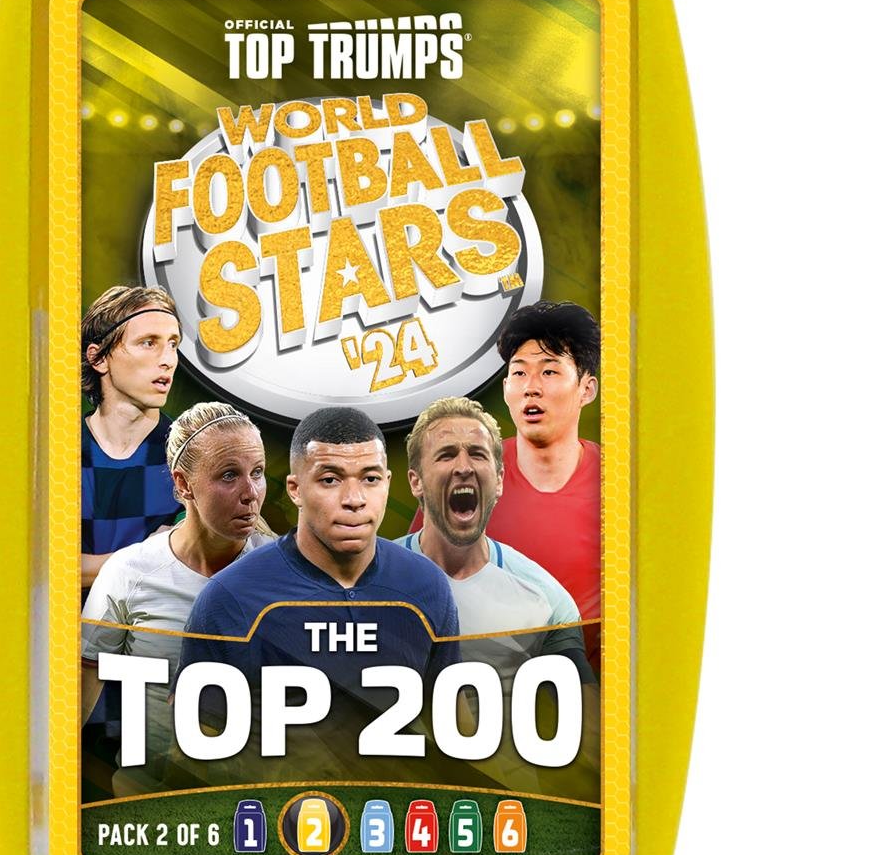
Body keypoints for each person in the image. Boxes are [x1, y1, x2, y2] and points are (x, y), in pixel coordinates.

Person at [177, 406, 460, 778]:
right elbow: (191, 751)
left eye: (370, 478)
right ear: (295, 489)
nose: (354, 498)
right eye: (330, 480)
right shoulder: (231, 597)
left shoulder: (427, 586)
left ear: (389, 483)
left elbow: (453, 729)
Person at [402, 394, 598, 793]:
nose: (463, 466)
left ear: (500, 481)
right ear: (415, 481)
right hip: (393, 806)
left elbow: (590, 731)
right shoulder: (362, 581)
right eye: (446, 455)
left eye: (477, 454)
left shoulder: (546, 600)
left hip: (502, 808)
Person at [81, 402, 275, 795]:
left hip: (254, 806)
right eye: (229, 475)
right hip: (147, 801)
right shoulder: (129, 572)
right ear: (183, 484)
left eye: (257, 473)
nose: (251, 493)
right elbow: (80, 692)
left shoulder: (287, 575)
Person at [411, 301, 601, 630]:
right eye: (519, 372)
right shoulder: (465, 474)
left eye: (549, 371)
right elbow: (413, 577)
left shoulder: (619, 482)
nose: (531, 387)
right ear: (505, 388)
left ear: (587, 389)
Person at [80, 285, 183, 591]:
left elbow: (192, 566)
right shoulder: (56, 452)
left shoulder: (191, 456)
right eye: (149, 343)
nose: (168, 359)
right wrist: (143, 557)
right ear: (99, 358)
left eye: (173, 344)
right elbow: (41, 567)